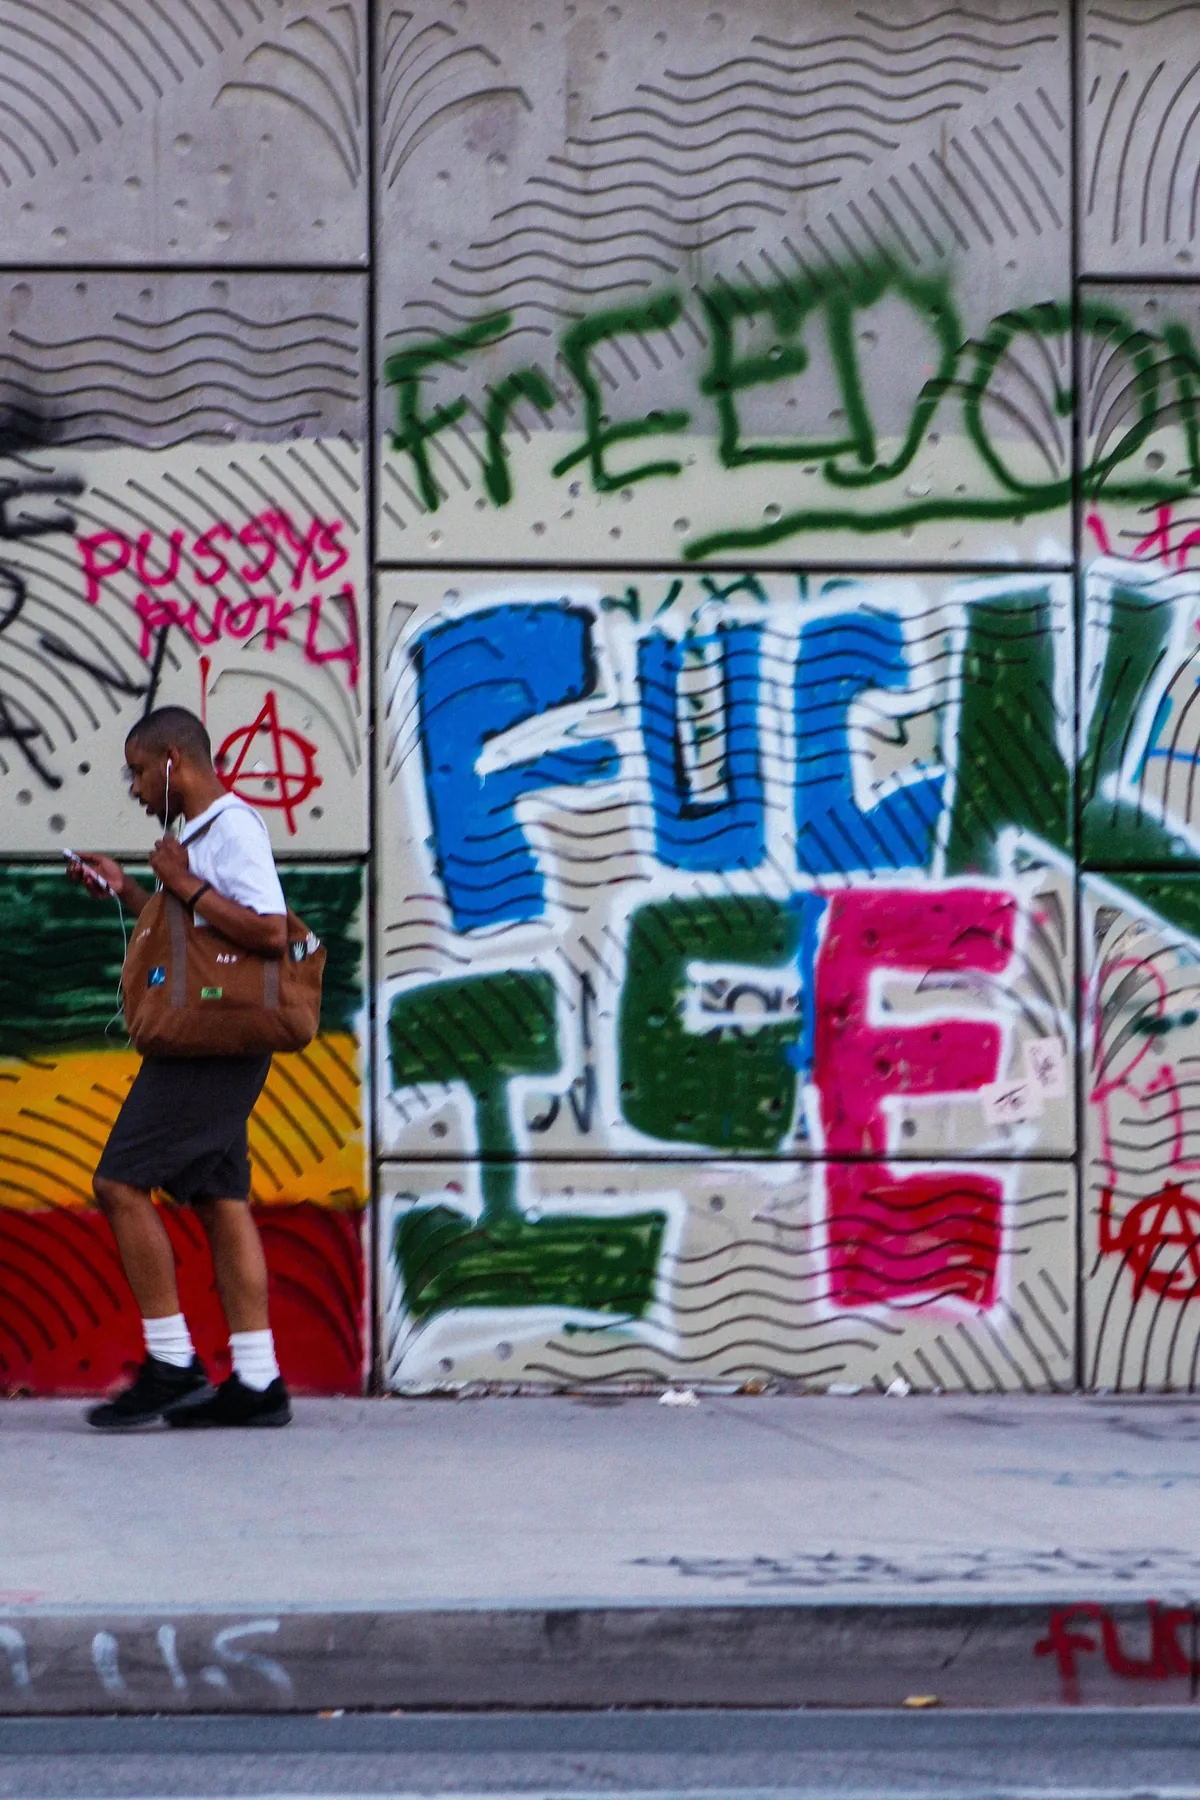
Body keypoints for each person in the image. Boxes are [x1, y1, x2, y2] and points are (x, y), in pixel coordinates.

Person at [69, 704, 292, 1430]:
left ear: (175, 764)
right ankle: (257, 1381)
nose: (134, 789)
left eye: (138, 772)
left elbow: (269, 930)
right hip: (213, 1037)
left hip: (215, 1041)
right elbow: (193, 937)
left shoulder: (229, 828)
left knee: (119, 1182)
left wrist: (183, 883)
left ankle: (172, 1361)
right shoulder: (191, 836)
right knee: (220, 1200)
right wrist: (131, 892)